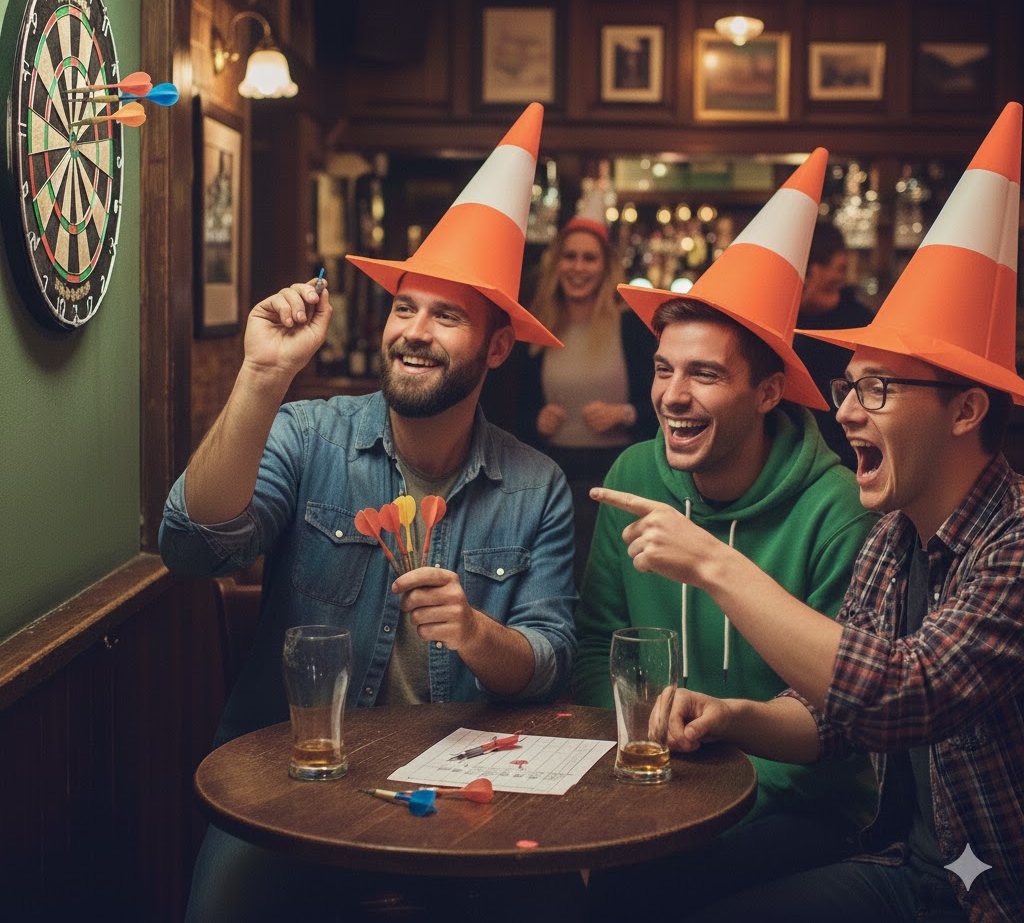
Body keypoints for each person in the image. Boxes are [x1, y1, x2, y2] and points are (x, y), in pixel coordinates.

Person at [596, 102, 1024, 922]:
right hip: (905, 863)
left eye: (879, 389)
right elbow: (836, 718)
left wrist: (712, 563)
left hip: (986, 898)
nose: (848, 412)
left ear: (967, 410)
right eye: (849, 387)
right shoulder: (894, 539)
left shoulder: (1014, 546)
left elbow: (902, 692)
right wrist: (735, 717)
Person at [160, 103, 580, 922]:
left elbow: (552, 660)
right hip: (295, 780)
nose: (414, 333)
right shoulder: (308, 435)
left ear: (498, 347)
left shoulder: (537, 488)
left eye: (447, 316)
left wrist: (475, 632)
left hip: (468, 795)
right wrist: (262, 377)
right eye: (404, 307)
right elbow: (193, 547)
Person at [575, 149, 878, 915]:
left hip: (803, 806)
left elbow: (845, 718)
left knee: (648, 891)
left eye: (704, 374)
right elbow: (592, 646)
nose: (672, 397)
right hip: (657, 782)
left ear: (769, 392)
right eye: (663, 369)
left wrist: (704, 788)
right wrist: (645, 746)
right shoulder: (634, 476)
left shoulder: (836, 508)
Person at [510, 196, 657, 586]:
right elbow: (510, 410)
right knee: (556, 579)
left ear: (605, 267)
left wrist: (625, 413)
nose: (578, 267)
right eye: (569, 256)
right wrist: (536, 420)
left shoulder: (631, 326)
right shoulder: (535, 326)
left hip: (618, 476)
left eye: (589, 258)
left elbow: (663, 404)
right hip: (551, 477)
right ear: (556, 263)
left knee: (611, 582)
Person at [793, 218, 873, 470]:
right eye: (837, 267)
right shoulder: (774, 321)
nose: (840, 276)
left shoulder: (859, 322)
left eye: (843, 269)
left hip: (846, 457)